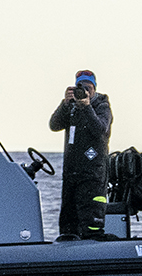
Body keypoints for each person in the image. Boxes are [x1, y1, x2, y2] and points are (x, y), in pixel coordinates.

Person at [48, 69, 114, 239]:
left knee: (91, 223)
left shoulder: (102, 105)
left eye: (88, 87)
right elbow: (54, 125)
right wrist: (64, 104)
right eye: (81, 87)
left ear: (94, 88)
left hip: (93, 173)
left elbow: (100, 130)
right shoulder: (71, 107)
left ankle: (94, 247)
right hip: (71, 172)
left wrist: (86, 107)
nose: (85, 91)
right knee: (68, 222)